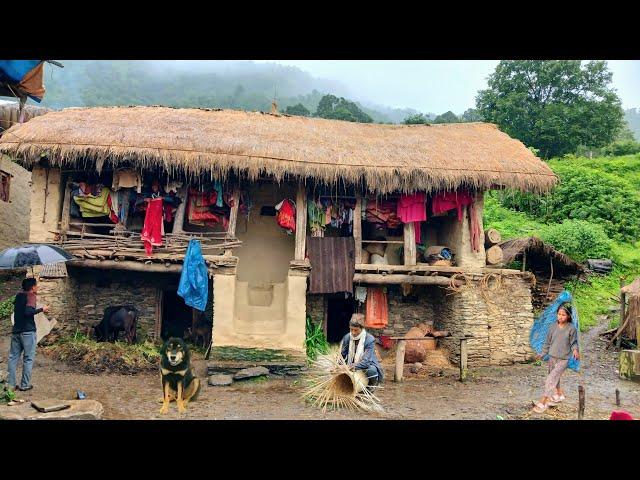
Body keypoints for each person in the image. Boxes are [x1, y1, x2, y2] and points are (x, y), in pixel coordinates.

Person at [532, 304, 579, 413]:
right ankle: (559, 394)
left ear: (568, 316)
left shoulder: (571, 328)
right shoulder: (552, 327)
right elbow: (547, 343)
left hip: (564, 358)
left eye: (563, 315)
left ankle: (543, 402)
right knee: (555, 377)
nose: (560, 317)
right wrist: (542, 354)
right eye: (559, 314)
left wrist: (575, 350)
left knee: (551, 379)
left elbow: (574, 342)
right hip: (552, 357)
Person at [6, 278, 49, 392]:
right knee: (28, 359)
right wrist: (42, 309)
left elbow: (20, 309)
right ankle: (24, 385)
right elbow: (28, 312)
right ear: (33, 287)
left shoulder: (18, 296)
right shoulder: (31, 296)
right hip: (27, 332)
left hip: (16, 331)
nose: (38, 287)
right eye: (36, 285)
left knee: (13, 358)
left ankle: (10, 385)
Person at [340, 317, 384, 386]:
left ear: (362, 328)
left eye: (356, 330)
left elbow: (366, 362)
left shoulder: (369, 339)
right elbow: (342, 355)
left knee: (371, 370)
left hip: (366, 365)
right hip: (351, 364)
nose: (353, 333)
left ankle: (371, 385)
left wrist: (349, 367)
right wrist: (338, 365)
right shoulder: (347, 337)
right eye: (351, 329)